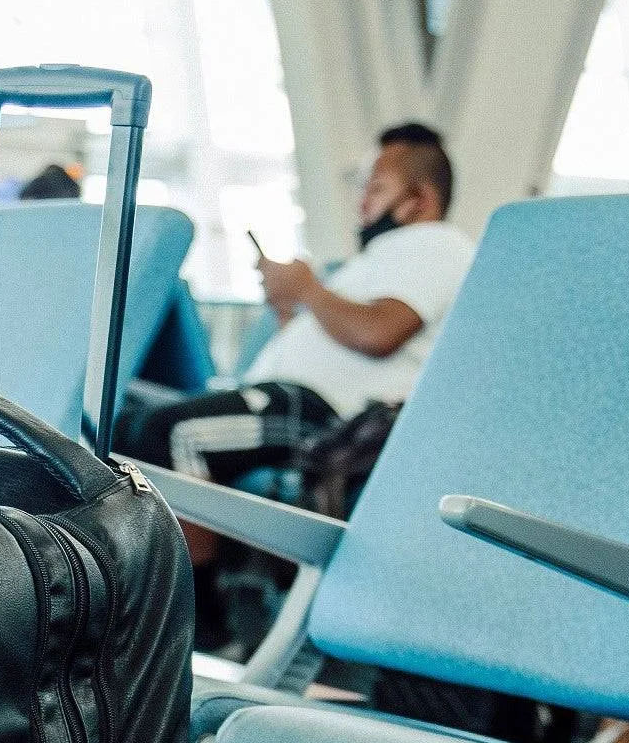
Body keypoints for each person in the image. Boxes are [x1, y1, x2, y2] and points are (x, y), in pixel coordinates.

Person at [116, 123, 472, 488]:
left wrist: (306, 289)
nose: (363, 203)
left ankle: (172, 547)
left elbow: (378, 333)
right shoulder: (376, 261)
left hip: (328, 413)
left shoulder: (438, 244)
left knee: (172, 435)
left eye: (377, 189)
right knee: (124, 422)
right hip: (289, 400)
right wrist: (287, 306)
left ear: (421, 199)